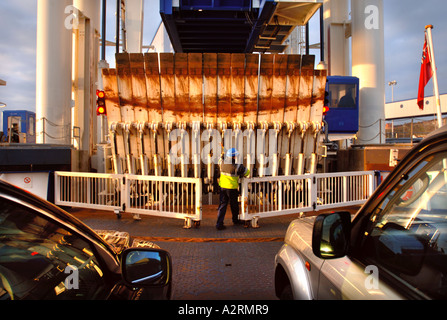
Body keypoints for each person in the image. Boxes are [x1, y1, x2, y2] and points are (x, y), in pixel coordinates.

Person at [216, 148, 250, 230]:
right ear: (234, 157)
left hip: (223, 188)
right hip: (232, 189)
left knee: (222, 205)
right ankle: (235, 220)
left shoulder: (222, 163)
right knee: (234, 205)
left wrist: (223, 153)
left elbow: (220, 159)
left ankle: (219, 224)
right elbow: (247, 172)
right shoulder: (238, 167)